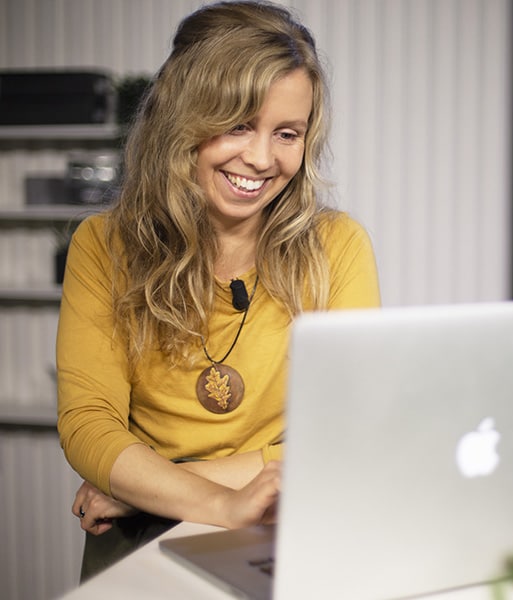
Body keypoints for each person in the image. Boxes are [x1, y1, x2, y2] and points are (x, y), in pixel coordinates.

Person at [55, 0, 381, 580]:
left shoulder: (339, 246)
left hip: (286, 527)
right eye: (236, 123)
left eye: (286, 133)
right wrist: (218, 502)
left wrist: (141, 486)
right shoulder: (102, 245)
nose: (260, 159)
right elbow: (88, 424)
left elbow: (350, 432)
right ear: (182, 120)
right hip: (140, 543)